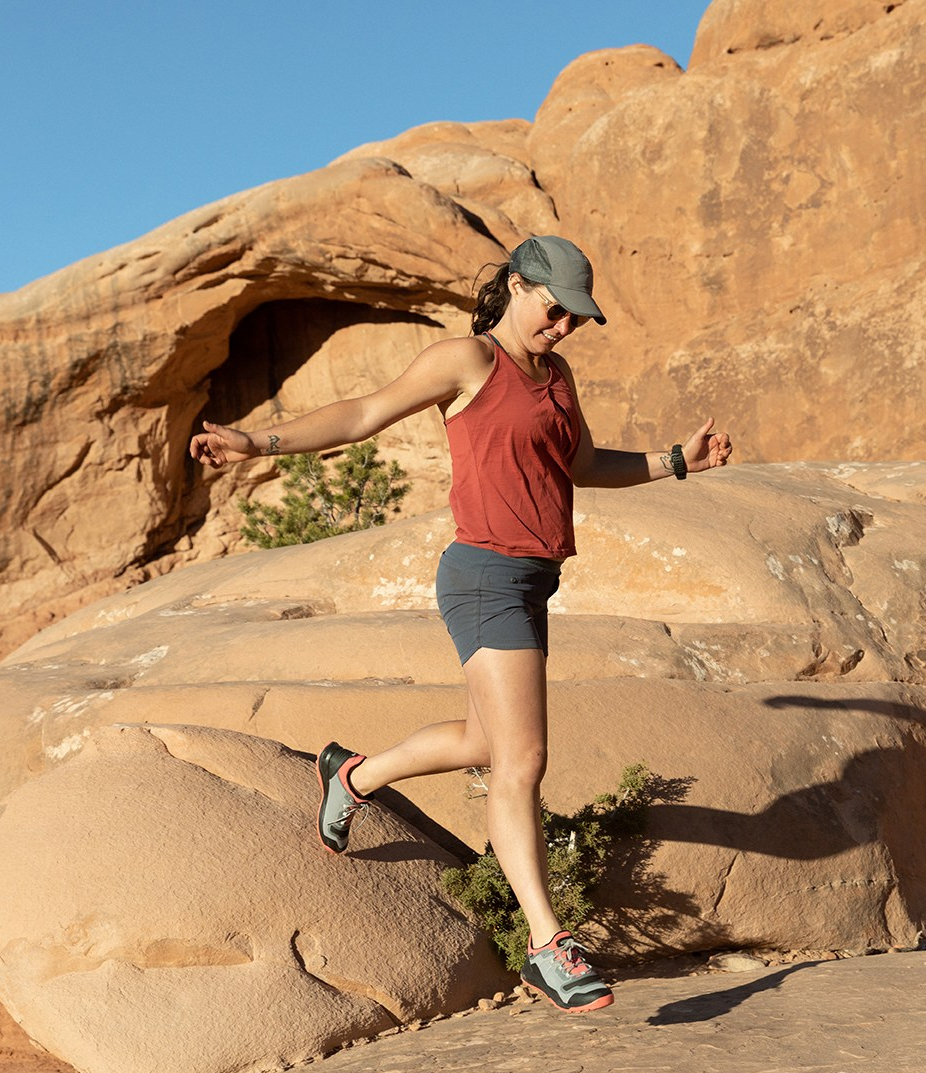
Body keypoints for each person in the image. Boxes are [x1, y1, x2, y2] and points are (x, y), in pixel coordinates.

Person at [189, 235, 732, 1012]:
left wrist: (680, 459)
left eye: (576, 318)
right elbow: (362, 414)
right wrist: (256, 442)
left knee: (485, 743)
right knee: (523, 760)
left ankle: (352, 774)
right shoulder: (467, 362)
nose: (564, 327)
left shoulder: (558, 375)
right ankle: (548, 944)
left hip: (532, 580)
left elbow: (581, 466)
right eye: (555, 309)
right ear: (517, 285)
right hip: (483, 577)